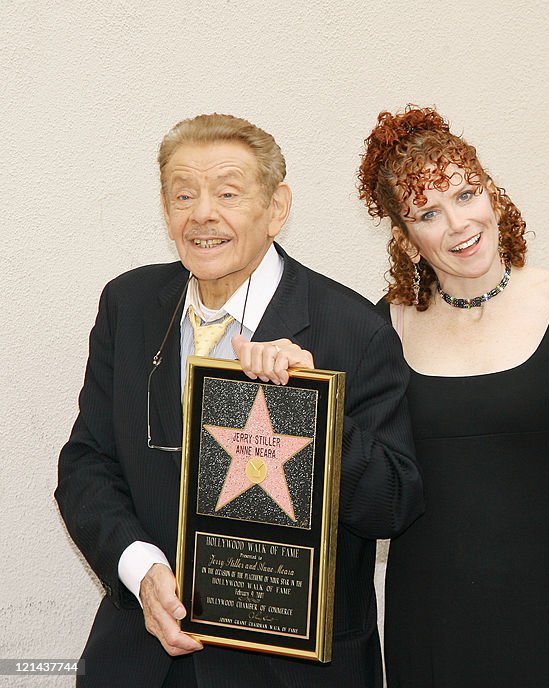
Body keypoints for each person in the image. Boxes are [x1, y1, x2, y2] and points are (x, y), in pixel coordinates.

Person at [55, 113, 423, 687]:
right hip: (142, 657)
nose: (203, 213)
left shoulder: (352, 328)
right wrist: (141, 568)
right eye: (183, 194)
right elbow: (85, 463)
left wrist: (312, 408)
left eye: (227, 192)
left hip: (290, 670)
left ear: (277, 208)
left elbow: (394, 505)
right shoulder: (127, 305)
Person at [358, 105, 549, 687]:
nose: (458, 224)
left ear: (491, 194)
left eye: (466, 194)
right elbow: (361, 475)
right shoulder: (381, 329)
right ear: (407, 239)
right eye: (428, 212)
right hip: (433, 617)